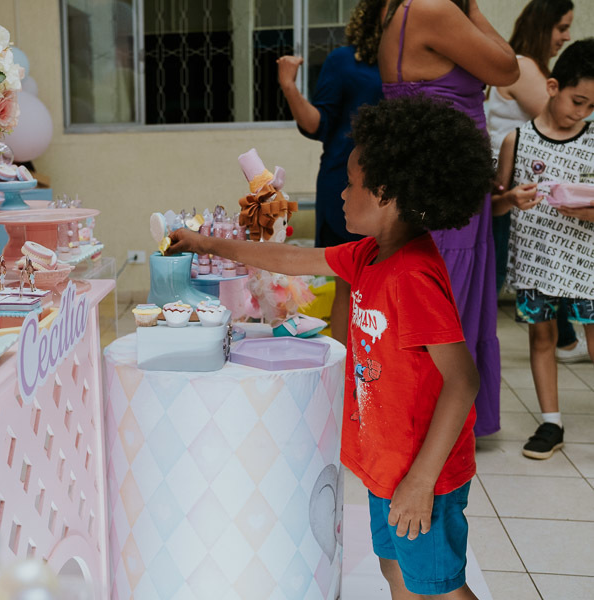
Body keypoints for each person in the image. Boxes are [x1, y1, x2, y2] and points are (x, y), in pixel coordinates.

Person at [168, 96, 489, 600]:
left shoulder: (413, 275)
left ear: (384, 194)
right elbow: (286, 257)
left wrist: (421, 481)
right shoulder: (367, 254)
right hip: (389, 464)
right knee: (397, 573)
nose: (340, 193)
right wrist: (207, 244)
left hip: (423, 471)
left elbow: (463, 381)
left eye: (351, 183)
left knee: (441, 588)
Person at [377, 0, 520, 438]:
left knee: (437, 292)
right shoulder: (435, 8)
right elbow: (507, 68)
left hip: (436, 177)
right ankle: (433, 424)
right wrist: (473, 7)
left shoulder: (396, 7)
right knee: (444, 300)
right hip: (444, 183)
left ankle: (430, 418)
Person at [491, 38, 594, 460]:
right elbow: (494, 205)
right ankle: (551, 422)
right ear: (552, 86)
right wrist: (511, 199)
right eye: (578, 101)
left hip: (587, 263)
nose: (582, 113)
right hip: (536, 259)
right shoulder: (517, 140)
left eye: (591, 107)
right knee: (541, 338)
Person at [277, 0, 384, 345]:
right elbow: (316, 126)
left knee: (390, 280)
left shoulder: (412, 61)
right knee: (348, 280)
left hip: (395, 184)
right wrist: (289, 86)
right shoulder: (344, 60)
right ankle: (344, 369)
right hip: (346, 179)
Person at [489, 0, 588, 364]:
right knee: (518, 274)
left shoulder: (527, 65)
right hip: (512, 188)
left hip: (523, 189)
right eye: (562, 27)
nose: (566, 36)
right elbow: (558, 124)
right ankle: (561, 342)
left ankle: (562, 340)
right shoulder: (524, 66)